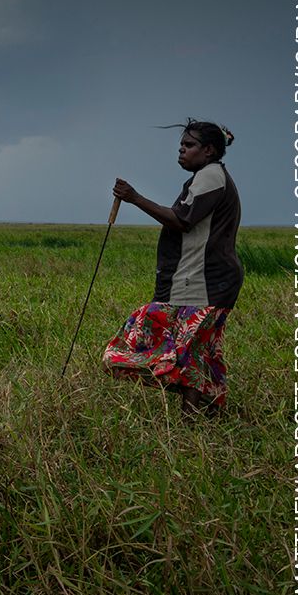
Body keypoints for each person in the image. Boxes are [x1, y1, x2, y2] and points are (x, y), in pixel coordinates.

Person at [103, 120, 242, 414]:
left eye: (189, 145)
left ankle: (191, 410)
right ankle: (199, 411)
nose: (181, 149)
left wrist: (135, 198)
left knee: (162, 335)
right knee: (198, 350)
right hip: (203, 280)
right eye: (181, 144)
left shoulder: (210, 176)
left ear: (208, 150)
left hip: (205, 281)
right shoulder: (207, 176)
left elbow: (181, 220)